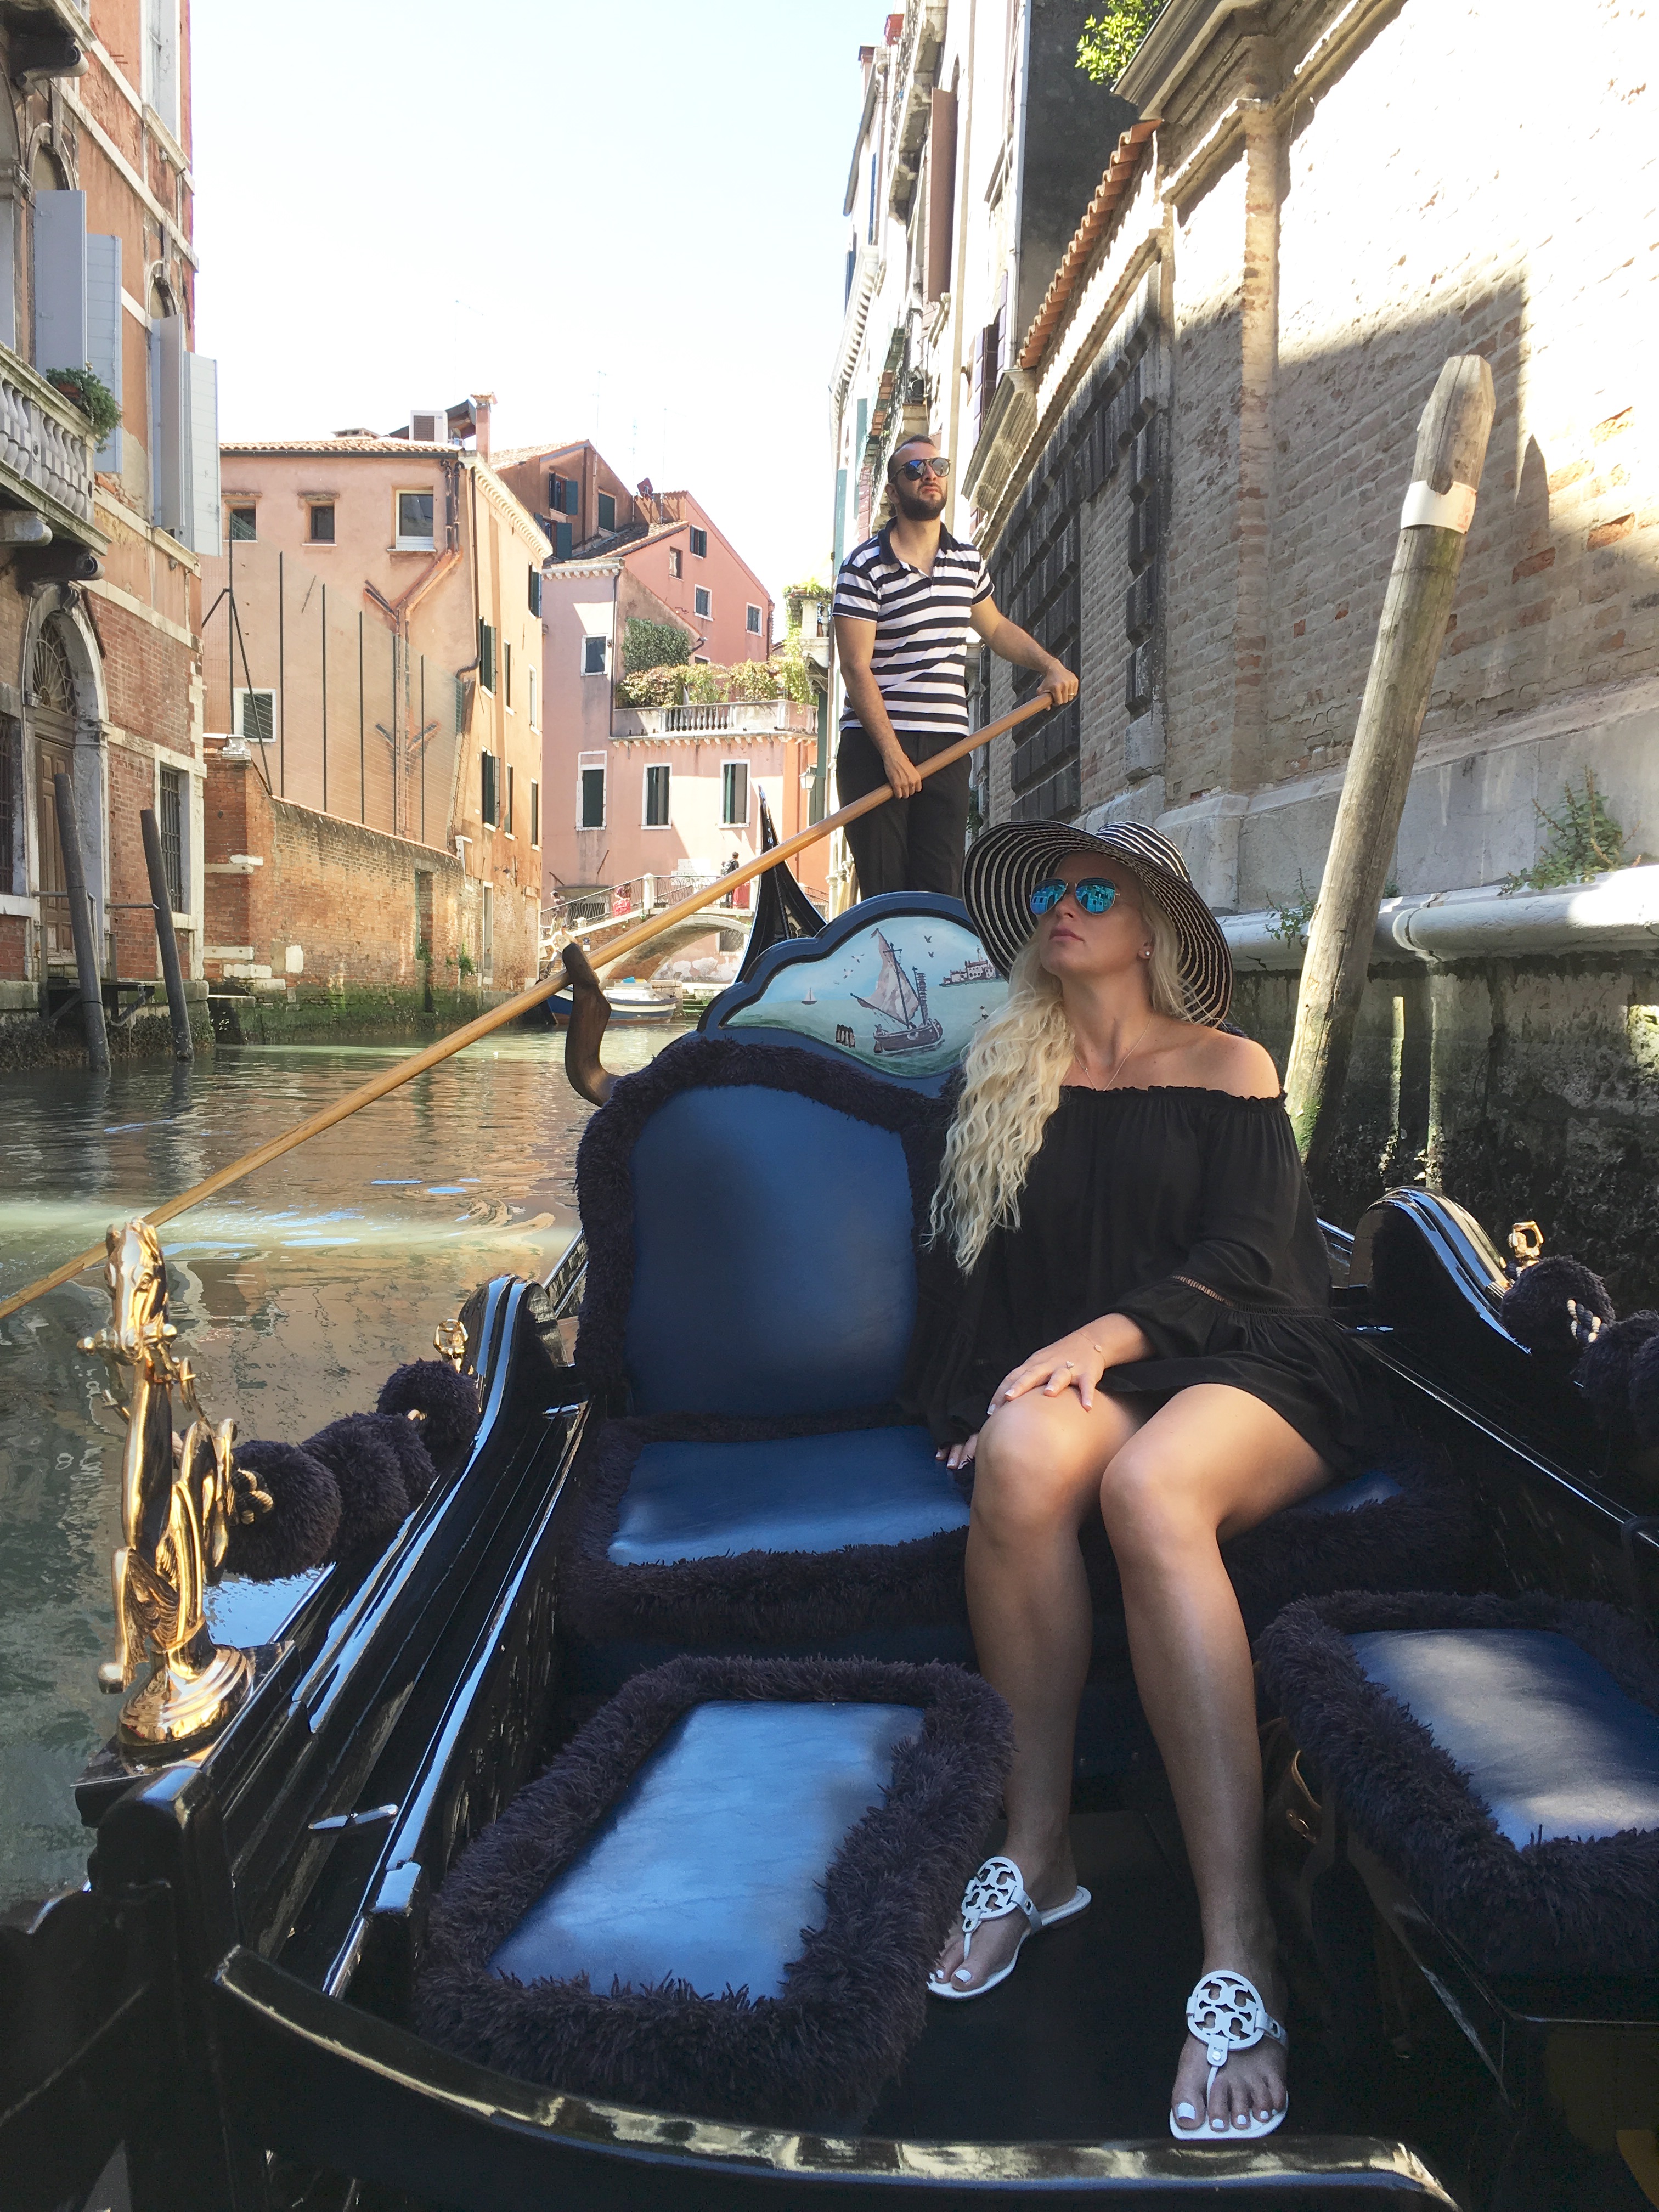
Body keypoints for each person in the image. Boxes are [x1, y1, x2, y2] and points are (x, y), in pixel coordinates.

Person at [905, 819, 1394, 2141]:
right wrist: (978, 1396)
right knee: (1020, 1457)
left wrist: (1105, 1338)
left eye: (1095, 892)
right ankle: (1039, 1853)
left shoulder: (1229, 1064)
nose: (1062, 908)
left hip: (1252, 1357)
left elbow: (1252, 1258)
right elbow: (974, 1271)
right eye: (1049, 895)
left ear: (1153, 932)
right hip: (1105, 1371)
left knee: (1150, 1493)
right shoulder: (1006, 1072)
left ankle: (1241, 1945)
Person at [832, 432, 1078, 899]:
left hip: (947, 745)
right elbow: (855, 668)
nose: (929, 474)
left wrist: (1050, 665)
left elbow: (997, 629)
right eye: (914, 469)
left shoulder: (967, 562)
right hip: (875, 746)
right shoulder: (863, 568)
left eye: (937, 466)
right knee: (886, 895)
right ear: (893, 491)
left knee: (941, 892)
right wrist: (892, 756)